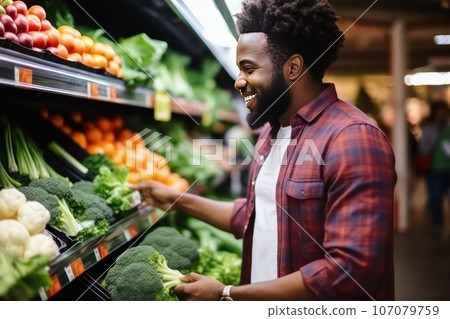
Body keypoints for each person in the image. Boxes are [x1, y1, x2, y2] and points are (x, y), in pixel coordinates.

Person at [132, 0, 397, 301]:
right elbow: (257, 214)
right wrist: (176, 199)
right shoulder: (271, 133)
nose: (238, 81)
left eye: (248, 68)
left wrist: (227, 294)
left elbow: (349, 272)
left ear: (293, 68)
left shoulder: (352, 138)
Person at [418, 100, 450, 233]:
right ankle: (437, 224)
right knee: (435, 198)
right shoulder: (429, 128)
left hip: (448, 169)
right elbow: (423, 148)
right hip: (434, 170)